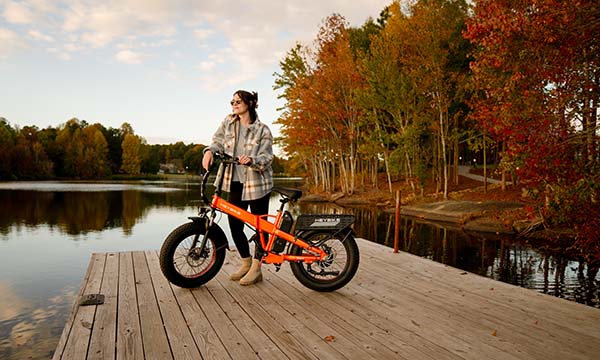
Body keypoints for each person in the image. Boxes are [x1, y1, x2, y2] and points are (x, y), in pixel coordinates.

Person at [202, 90, 273, 286]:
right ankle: (246, 262)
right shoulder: (228, 122)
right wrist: (209, 151)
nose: (234, 104)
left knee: (260, 226)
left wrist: (252, 160)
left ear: (250, 103)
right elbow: (217, 141)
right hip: (233, 180)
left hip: (257, 183)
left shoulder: (262, 130)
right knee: (235, 224)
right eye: (232, 101)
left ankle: (257, 268)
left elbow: (267, 158)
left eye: (238, 101)